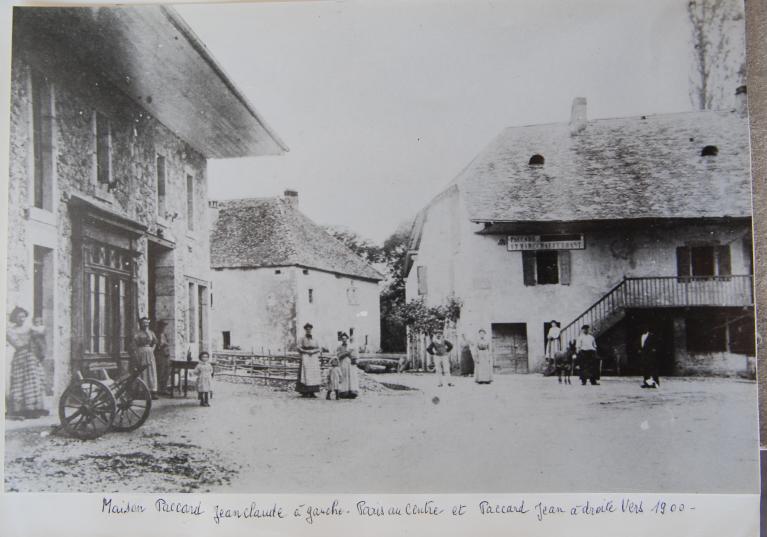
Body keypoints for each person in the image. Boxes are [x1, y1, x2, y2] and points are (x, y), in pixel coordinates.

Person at [6, 307, 47, 419]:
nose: (22, 319)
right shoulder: (11, 330)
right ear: (14, 318)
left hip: (30, 356)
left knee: (33, 380)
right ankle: (20, 410)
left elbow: (41, 332)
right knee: (19, 381)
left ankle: (34, 409)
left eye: (23, 316)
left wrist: (38, 329)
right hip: (19, 357)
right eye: (19, 316)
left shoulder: (29, 327)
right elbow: (17, 343)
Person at [133, 316, 159, 399]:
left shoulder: (151, 332)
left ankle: (152, 391)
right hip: (141, 352)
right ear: (141, 324)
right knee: (143, 371)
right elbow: (134, 344)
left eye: (146, 323)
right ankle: (142, 391)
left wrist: (152, 349)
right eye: (143, 323)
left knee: (151, 371)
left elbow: (155, 342)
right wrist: (137, 353)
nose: (145, 324)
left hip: (150, 352)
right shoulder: (137, 333)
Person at [296, 323, 322, 398]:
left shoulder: (315, 339)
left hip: (313, 357)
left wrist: (313, 351)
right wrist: (306, 351)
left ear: (311, 329)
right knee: (305, 373)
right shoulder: (302, 338)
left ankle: (312, 391)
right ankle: (305, 391)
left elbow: (319, 348)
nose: (308, 330)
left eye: (309, 329)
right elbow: (298, 347)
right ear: (305, 330)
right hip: (305, 356)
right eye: (307, 329)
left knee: (313, 373)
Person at [337, 333, 359, 399]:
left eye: (345, 338)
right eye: (342, 338)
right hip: (343, 362)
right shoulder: (339, 347)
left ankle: (352, 391)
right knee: (344, 376)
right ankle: (344, 392)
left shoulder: (351, 346)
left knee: (351, 376)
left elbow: (355, 354)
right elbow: (338, 355)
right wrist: (345, 353)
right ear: (341, 339)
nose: (344, 340)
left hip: (350, 363)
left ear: (347, 339)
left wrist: (353, 358)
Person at [154, 320, 171, 396]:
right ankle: (158, 390)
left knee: (166, 372)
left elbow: (167, 344)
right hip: (159, 355)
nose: (163, 328)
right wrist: (161, 346)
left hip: (166, 355)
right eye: (162, 326)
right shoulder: (156, 335)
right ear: (159, 326)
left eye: (164, 326)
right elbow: (156, 345)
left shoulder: (165, 334)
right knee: (160, 372)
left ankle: (164, 389)